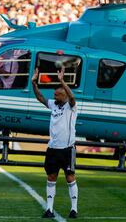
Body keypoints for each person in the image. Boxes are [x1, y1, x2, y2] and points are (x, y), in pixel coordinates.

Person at [32, 67, 78, 219]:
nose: (54, 96)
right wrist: (34, 84)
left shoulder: (71, 106)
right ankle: (49, 210)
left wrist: (62, 81)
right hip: (53, 148)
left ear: (63, 94)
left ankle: (74, 209)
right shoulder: (53, 104)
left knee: (70, 178)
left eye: (57, 94)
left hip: (67, 149)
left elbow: (72, 97)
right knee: (51, 177)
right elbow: (40, 98)